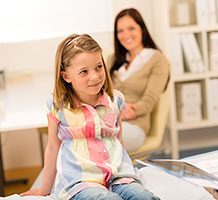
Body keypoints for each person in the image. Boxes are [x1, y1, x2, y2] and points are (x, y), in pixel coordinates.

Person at [20, 34, 160, 200]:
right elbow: (52, 147)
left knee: (145, 197)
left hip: (118, 176)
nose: (94, 76)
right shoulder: (58, 106)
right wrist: (44, 189)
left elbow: (119, 141)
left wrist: (128, 173)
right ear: (66, 76)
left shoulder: (116, 100)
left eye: (99, 67)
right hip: (81, 180)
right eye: (84, 72)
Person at [107, 8, 170, 152]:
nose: (125, 35)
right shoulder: (113, 59)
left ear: (142, 29)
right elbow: (102, 94)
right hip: (107, 121)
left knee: (97, 146)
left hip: (135, 126)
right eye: (120, 31)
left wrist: (123, 111)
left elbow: (148, 102)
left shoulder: (157, 60)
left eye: (131, 28)